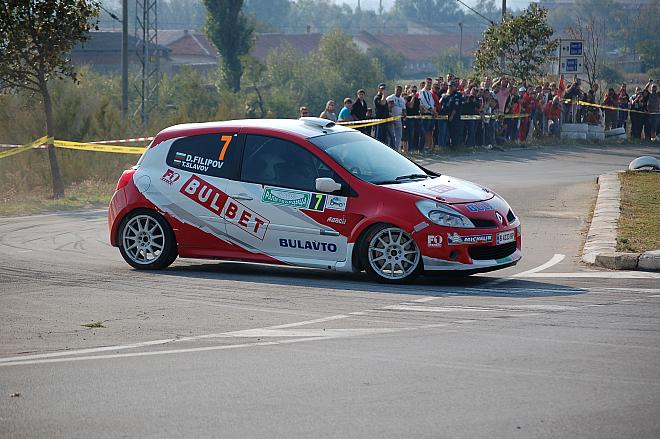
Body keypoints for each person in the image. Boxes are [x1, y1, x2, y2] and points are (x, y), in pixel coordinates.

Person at [386, 85, 406, 152]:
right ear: (395, 90)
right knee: (391, 135)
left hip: (398, 119)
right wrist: (389, 115)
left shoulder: (402, 99)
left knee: (399, 135)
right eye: (397, 90)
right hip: (391, 119)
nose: (399, 91)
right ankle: (390, 149)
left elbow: (404, 109)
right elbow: (386, 107)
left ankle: (397, 150)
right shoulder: (390, 98)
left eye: (400, 90)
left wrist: (404, 114)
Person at [418, 78, 436, 149]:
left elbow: (432, 103)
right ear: (425, 83)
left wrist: (434, 111)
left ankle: (428, 147)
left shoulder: (429, 93)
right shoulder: (422, 92)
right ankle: (424, 147)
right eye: (428, 83)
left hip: (431, 114)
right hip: (425, 114)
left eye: (430, 83)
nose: (429, 84)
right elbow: (425, 103)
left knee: (430, 131)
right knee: (424, 132)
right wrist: (433, 111)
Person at [446, 80, 463, 148]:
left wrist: (452, 116)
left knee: (455, 132)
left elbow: (456, 107)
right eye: (449, 86)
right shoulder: (450, 95)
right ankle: (452, 146)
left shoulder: (457, 95)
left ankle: (455, 146)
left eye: (451, 86)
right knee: (450, 132)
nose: (450, 87)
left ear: (455, 87)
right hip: (449, 116)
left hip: (455, 117)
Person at [406, 84, 421, 152]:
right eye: (413, 91)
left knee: (417, 134)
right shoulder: (407, 98)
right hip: (410, 118)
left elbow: (419, 108)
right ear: (410, 91)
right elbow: (410, 106)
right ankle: (410, 149)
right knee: (411, 134)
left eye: (415, 91)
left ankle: (416, 149)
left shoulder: (417, 99)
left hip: (416, 118)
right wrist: (412, 97)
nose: (414, 92)